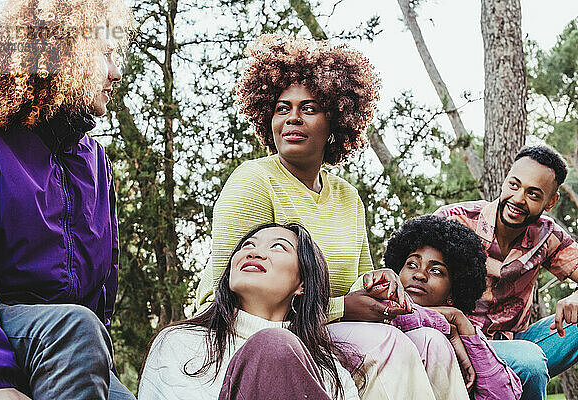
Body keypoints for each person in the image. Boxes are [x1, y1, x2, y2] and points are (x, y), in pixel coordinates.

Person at [195, 34, 469, 400]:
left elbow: (358, 283)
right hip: (255, 331)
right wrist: (343, 307)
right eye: (281, 107)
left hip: (325, 326)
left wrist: (379, 283)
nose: (292, 117)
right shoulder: (253, 180)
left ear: (336, 120)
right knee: (387, 343)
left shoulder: (347, 197)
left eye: (309, 108)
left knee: (432, 343)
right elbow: (235, 291)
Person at [0, 0, 134, 399]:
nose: (117, 74)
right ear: (65, 52)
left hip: (71, 343)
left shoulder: (96, 161)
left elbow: (101, 296)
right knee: (76, 330)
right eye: (107, 56)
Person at [139, 222, 360, 400]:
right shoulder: (181, 342)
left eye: (278, 247)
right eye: (247, 245)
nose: (254, 252)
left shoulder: (327, 369)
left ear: (301, 283)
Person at [435, 145, 578, 400]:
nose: (518, 199)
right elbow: (411, 284)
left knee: (529, 355)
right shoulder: (454, 220)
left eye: (533, 194)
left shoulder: (547, 235)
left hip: (515, 340)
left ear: (551, 201)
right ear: (505, 180)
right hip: (458, 343)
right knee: (530, 362)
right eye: (514, 185)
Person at [385, 215, 522, 400]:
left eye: (436, 270)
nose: (419, 274)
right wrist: (444, 319)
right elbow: (397, 317)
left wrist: (464, 326)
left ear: (453, 291)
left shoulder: (462, 328)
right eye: (411, 264)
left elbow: (502, 396)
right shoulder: (380, 310)